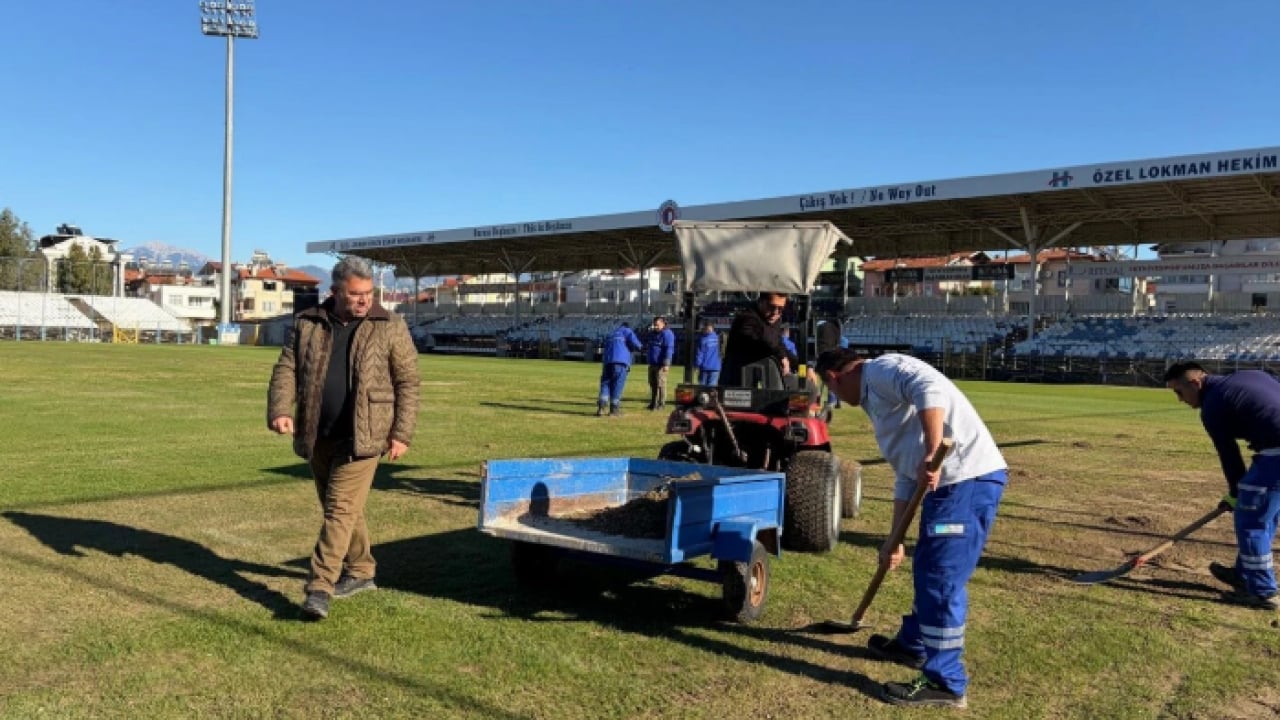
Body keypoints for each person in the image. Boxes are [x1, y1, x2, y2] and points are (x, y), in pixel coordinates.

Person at [817, 348, 1008, 709]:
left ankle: (946, 682)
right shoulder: (876, 401)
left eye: (832, 392)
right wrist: (894, 538)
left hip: (967, 480)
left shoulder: (882, 370)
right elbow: (907, 476)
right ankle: (913, 646)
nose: (836, 399)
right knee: (928, 569)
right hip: (945, 486)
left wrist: (932, 451)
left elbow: (929, 388)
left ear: (833, 378)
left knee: (940, 576)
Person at [267, 256, 420, 621]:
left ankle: (319, 587)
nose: (364, 300)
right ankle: (362, 571)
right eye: (355, 294)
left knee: (339, 510)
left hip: (365, 437)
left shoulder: (390, 324)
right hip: (317, 434)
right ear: (335, 292)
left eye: (368, 293)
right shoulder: (307, 323)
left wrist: (401, 433)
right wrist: (280, 409)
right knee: (343, 510)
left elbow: (408, 382)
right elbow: (286, 368)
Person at [1164, 362, 1280, 610]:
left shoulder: (1213, 406)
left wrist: (1236, 494)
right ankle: (1244, 574)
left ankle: (1263, 592)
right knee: (1264, 516)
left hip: (1276, 454)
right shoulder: (1252, 375)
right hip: (1271, 452)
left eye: (1179, 392)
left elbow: (1229, 455)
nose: (1180, 400)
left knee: (1251, 522)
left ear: (1195, 383)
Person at [720, 292, 798, 387]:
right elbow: (760, 342)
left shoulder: (775, 319)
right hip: (738, 378)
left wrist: (804, 366)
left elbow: (778, 344)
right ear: (761, 302)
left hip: (762, 375)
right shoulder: (747, 318)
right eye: (772, 307)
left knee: (803, 388)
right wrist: (781, 356)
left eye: (781, 309)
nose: (775, 312)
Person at [598, 321, 643, 416]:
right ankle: (614, 409)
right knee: (618, 384)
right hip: (620, 362)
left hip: (607, 361)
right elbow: (636, 344)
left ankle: (601, 407)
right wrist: (641, 347)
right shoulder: (627, 331)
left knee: (606, 383)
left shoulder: (611, 333)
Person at [646, 316, 675, 410]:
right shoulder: (653, 334)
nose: (655, 327)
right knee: (652, 384)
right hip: (652, 363)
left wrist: (666, 363)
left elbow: (669, 349)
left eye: (657, 325)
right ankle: (653, 403)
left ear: (663, 324)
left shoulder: (667, 334)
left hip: (661, 364)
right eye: (654, 325)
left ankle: (661, 404)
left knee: (661, 384)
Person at [695, 321, 722, 386]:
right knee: (712, 387)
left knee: (702, 387)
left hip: (705, 367)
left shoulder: (702, 340)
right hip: (716, 367)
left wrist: (697, 365)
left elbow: (700, 354)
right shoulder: (717, 337)